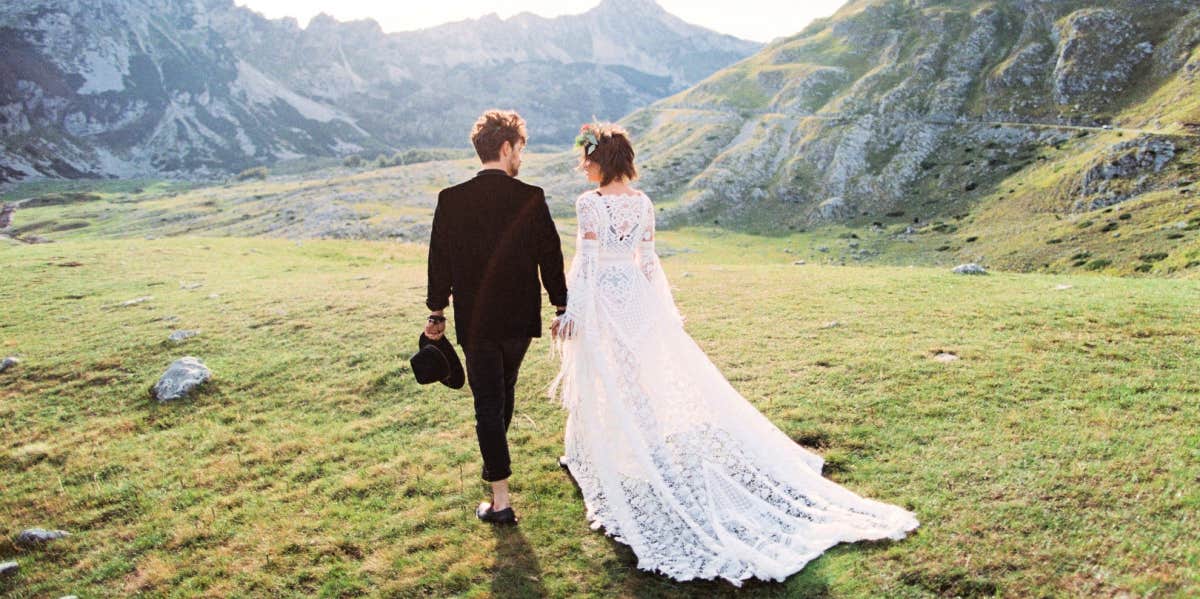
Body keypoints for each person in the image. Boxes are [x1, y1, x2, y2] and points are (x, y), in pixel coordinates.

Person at [550, 123, 918, 585]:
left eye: (586, 158)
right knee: (636, 375)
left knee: (614, 378)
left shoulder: (590, 205)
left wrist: (573, 313)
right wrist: (662, 313)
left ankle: (630, 453)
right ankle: (624, 445)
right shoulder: (643, 203)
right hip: (640, 301)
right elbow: (649, 261)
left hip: (605, 298)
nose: (582, 165)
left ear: (601, 160)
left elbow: (585, 264)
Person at [425, 110, 568, 525]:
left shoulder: (450, 199)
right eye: (519, 149)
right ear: (506, 148)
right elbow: (551, 257)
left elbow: (440, 262)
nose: (520, 156)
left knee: (490, 401)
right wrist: (561, 303)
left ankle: (500, 499)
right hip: (520, 320)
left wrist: (437, 311)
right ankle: (497, 476)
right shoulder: (531, 196)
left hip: (478, 321)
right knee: (500, 395)